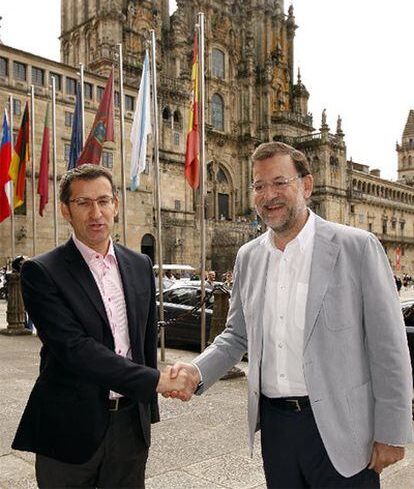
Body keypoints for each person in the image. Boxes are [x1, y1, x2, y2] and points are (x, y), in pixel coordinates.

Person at [166, 142, 413, 488]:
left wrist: (392, 431)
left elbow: (389, 346)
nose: (270, 195)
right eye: (259, 186)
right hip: (276, 428)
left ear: (306, 186)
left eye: (280, 182)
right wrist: (195, 370)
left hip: (343, 430)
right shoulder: (248, 257)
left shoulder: (356, 247)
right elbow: (236, 336)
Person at [12, 164, 196, 489]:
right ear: (66, 210)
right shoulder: (42, 272)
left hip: (129, 426)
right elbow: (75, 350)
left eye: (103, 201)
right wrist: (157, 381)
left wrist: (146, 411)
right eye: (83, 203)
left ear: (116, 205)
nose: (95, 212)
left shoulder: (139, 264)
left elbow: (144, 340)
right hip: (68, 427)